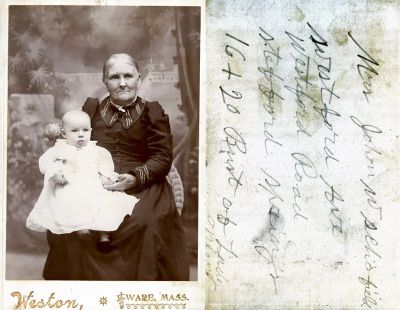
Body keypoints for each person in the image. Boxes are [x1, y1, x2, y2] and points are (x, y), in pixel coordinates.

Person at [43, 53, 189, 280]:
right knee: (70, 221)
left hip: (143, 182)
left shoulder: (153, 111)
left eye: (128, 76)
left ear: (138, 79)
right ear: (105, 81)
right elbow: (70, 139)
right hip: (92, 179)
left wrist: (135, 177)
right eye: (114, 77)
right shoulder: (91, 109)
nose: (122, 83)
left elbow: (162, 156)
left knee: (143, 223)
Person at [26, 110, 138, 251]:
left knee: (104, 204)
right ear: (63, 133)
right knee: (70, 202)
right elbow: (45, 163)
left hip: (92, 185)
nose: (81, 134)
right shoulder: (59, 149)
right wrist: (55, 174)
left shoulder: (96, 150)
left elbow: (104, 166)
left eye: (85, 130)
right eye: (74, 131)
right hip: (69, 185)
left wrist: (106, 177)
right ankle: (80, 230)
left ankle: (104, 236)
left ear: (91, 131)